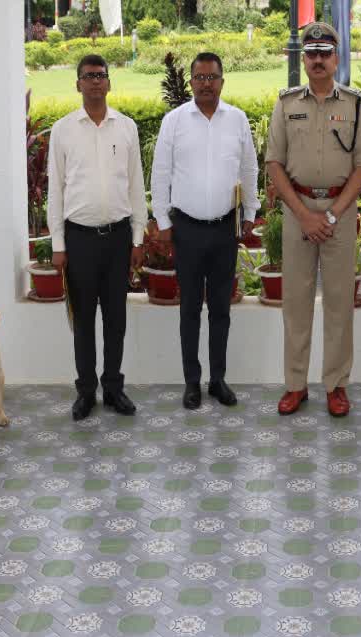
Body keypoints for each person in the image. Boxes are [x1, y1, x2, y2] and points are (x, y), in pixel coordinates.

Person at [265, 22, 361, 417]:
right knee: (295, 303)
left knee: (340, 303)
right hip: (298, 212)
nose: (317, 60)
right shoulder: (286, 103)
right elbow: (274, 164)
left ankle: (336, 385)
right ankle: (295, 385)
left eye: (324, 53)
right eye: (310, 53)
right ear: (303, 58)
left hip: (339, 214)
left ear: (336, 57)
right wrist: (305, 215)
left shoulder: (357, 105)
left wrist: (328, 213)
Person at [150, 52, 258, 409]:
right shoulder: (174, 121)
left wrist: (250, 212)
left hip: (225, 228)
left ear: (222, 82)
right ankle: (192, 382)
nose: (206, 84)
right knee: (190, 309)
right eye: (199, 78)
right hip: (188, 230)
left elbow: (249, 170)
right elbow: (161, 174)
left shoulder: (237, 119)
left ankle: (218, 380)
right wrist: (163, 221)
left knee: (221, 310)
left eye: (212, 78)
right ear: (192, 82)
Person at [47, 54, 146, 421]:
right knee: (84, 321)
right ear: (78, 84)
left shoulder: (126, 127)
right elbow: (54, 193)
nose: (94, 81)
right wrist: (58, 246)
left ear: (109, 82)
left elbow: (136, 185)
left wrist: (138, 238)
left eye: (100, 75)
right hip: (80, 241)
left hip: (118, 239)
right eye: (87, 76)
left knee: (116, 320)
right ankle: (86, 391)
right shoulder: (63, 130)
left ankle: (114, 388)